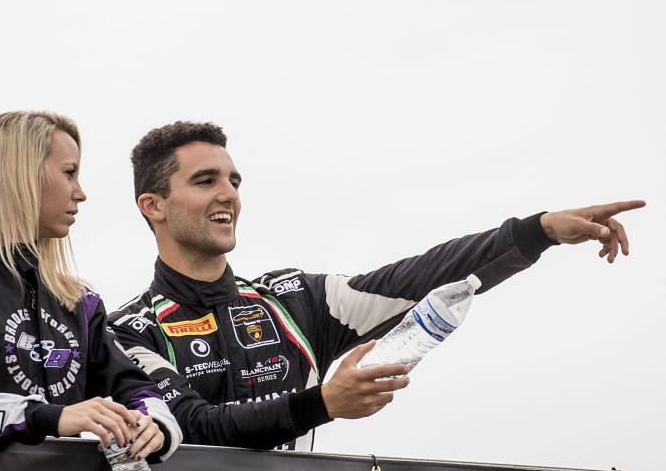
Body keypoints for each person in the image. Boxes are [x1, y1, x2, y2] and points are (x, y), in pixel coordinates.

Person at [108, 121, 645, 451]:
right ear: (152, 205)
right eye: (205, 181)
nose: (228, 194)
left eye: (233, 180)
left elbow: (420, 279)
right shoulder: (125, 333)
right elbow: (192, 428)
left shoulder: (290, 301)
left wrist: (539, 230)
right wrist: (324, 402)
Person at [0, 111, 181, 463]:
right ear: (20, 175)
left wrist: (156, 427)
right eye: (69, 173)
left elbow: (138, 388)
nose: (80, 193)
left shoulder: (79, 300)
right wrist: (50, 416)